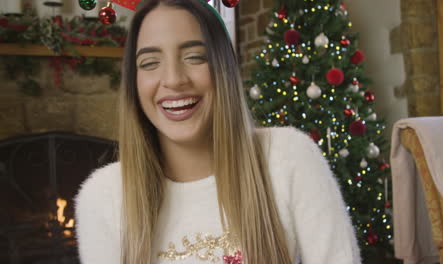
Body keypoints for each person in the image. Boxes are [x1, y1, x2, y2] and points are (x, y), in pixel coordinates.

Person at [74, 0, 361, 263]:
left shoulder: (289, 157)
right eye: (150, 63)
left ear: (223, 68)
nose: (173, 79)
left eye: (195, 57)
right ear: (133, 85)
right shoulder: (103, 196)